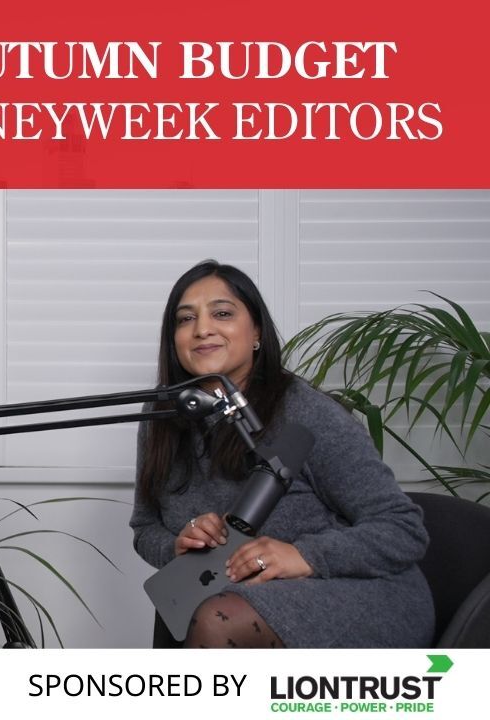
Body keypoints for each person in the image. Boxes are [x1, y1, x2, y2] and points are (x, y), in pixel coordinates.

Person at [130, 260, 434, 648]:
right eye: (185, 319)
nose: (202, 328)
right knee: (190, 607)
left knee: (214, 618)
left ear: (256, 330)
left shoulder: (304, 412)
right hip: (237, 595)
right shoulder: (164, 416)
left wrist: (302, 555)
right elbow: (144, 529)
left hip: (351, 593)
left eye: (222, 313)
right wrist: (177, 545)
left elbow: (403, 529)